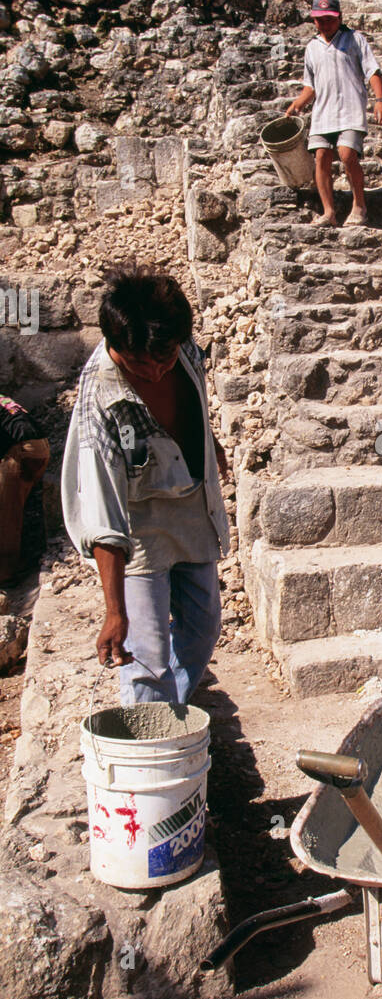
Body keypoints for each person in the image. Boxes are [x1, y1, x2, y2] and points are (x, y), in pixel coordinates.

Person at [61, 270, 230, 703]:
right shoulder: (100, 394)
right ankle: (148, 752)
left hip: (191, 508)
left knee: (203, 627)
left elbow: (194, 400)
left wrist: (207, 445)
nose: (155, 373)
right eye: (139, 364)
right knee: (146, 654)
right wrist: (115, 611)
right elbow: (102, 510)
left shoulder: (180, 345)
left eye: (165, 360)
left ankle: (169, 714)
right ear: (115, 346)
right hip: (136, 529)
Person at [285, 0, 382, 228]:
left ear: (339, 18)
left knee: (347, 154)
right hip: (323, 112)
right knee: (321, 156)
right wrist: (299, 103)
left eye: (329, 20)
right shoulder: (312, 48)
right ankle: (328, 212)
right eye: (320, 20)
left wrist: (380, 99)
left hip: (350, 108)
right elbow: (310, 85)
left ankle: (359, 205)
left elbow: (373, 70)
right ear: (314, 21)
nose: (324, 24)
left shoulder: (354, 39)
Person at [0, 394, 50, 582]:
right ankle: (25, 559)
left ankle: (5, 574)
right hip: (40, 447)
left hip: (23, 449)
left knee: (6, 514)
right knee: (16, 506)